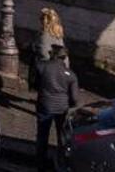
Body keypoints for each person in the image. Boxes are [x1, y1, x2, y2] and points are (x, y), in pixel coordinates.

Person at [31, 40, 78, 170]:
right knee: (61, 136)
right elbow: (74, 98)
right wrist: (71, 105)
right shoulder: (71, 75)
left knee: (42, 134)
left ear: (52, 54)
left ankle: (40, 161)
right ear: (64, 58)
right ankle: (61, 160)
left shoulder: (41, 66)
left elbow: (34, 84)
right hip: (62, 108)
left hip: (45, 104)